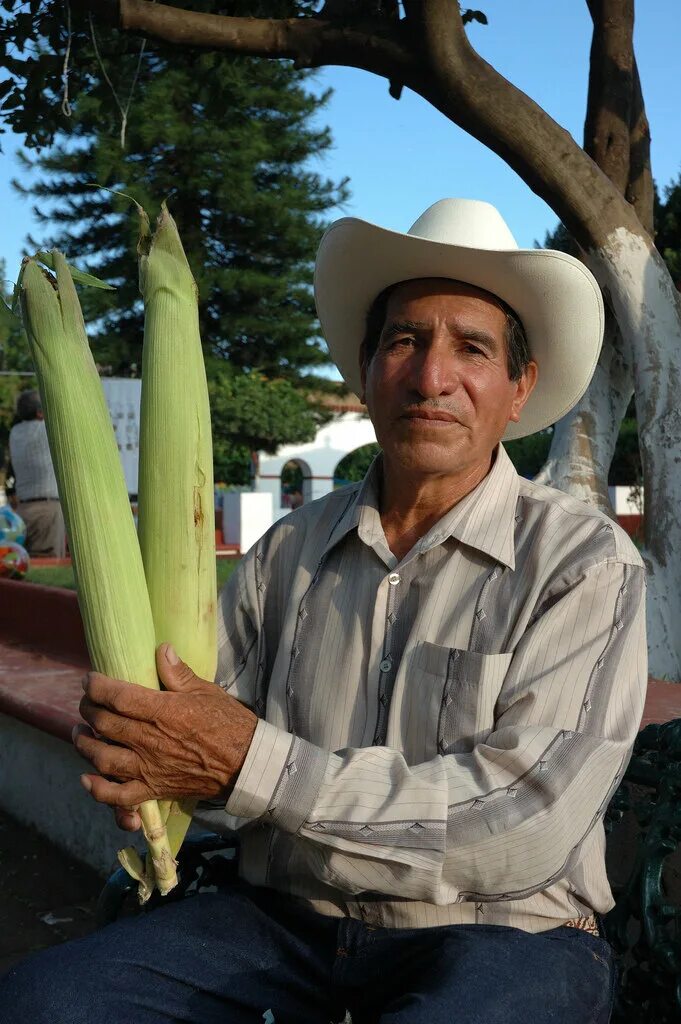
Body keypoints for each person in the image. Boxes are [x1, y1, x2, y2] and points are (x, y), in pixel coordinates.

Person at [0, 200, 646, 1023]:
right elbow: (201, 734)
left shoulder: (582, 564)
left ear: (518, 388)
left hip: (502, 936)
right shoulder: (285, 553)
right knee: (43, 1004)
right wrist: (141, 748)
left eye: (472, 348)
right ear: (367, 366)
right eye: (404, 339)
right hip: (279, 922)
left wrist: (250, 766)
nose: (430, 376)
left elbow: (522, 823)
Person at [7, 389, 66, 558]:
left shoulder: (14, 433)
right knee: (48, 563)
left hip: (22, 510)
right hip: (47, 511)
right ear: (40, 412)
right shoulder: (46, 429)